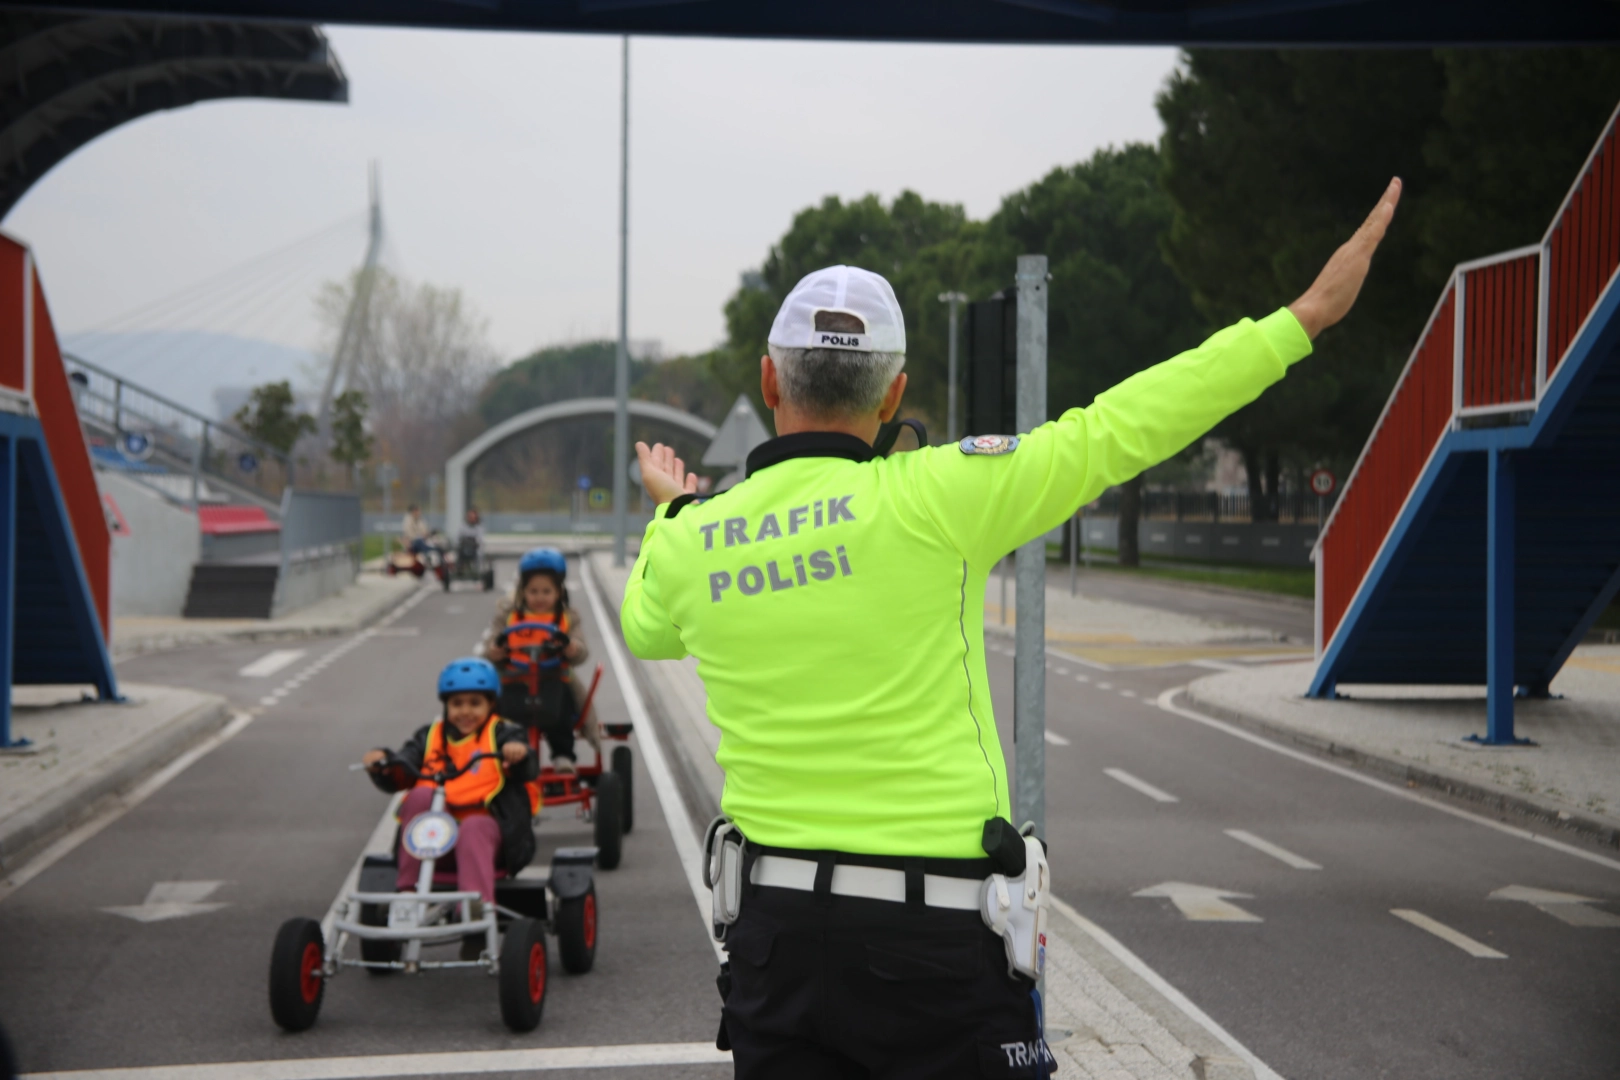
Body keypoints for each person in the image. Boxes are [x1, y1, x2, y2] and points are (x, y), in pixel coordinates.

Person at [622, 180, 1402, 1078]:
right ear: (893, 393)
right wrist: (1301, 317)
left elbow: (648, 630)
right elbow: (1122, 427)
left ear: (768, 381)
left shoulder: (692, 540)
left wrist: (676, 510)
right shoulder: (942, 496)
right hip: (933, 949)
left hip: (774, 950)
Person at [362, 657, 538, 957]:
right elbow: (404, 764)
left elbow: (527, 767)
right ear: (446, 706)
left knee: (472, 826)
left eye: (474, 703)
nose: (465, 711)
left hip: (491, 843)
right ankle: (407, 895)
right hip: (434, 845)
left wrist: (518, 754)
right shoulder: (428, 737)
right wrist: (382, 764)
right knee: (417, 797)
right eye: (457, 703)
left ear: (490, 705)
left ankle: (474, 912)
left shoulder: (504, 735)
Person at [484, 547, 591, 774]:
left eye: (546, 591)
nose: (540, 597)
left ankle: (563, 755)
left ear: (559, 592)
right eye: (533, 591)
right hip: (514, 677)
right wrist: (494, 651)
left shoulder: (568, 617)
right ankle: (505, 753)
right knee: (498, 709)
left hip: (553, 676)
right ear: (523, 592)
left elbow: (581, 649)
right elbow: (492, 642)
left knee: (564, 707)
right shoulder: (508, 615)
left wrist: (573, 648)